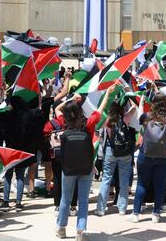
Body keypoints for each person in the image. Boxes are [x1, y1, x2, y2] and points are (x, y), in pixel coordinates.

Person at [55, 87, 113, 240]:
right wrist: (107, 93)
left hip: (68, 169)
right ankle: (81, 230)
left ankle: (61, 228)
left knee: (65, 199)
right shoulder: (88, 124)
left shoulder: (63, 123)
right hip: (86, 167)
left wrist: (71, 99)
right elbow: (100, 110)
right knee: (83, 200)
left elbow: (57, 108)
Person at [128, 92, 166, 223]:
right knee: (160, 184)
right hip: (164, 157)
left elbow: (139, 121)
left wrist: (141, 103)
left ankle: (135, 213)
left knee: (141, 183)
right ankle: (156, 213)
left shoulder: (146, 117)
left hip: (145, 155)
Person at [95, 101, 136, 216]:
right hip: (125, 152)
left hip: (110, 151)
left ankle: (101, 208)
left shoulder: (107, 121)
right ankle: (122, 208)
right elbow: (134, 107)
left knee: (106, 179)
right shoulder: (125, 118)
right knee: (123, 180)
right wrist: (131, 98)